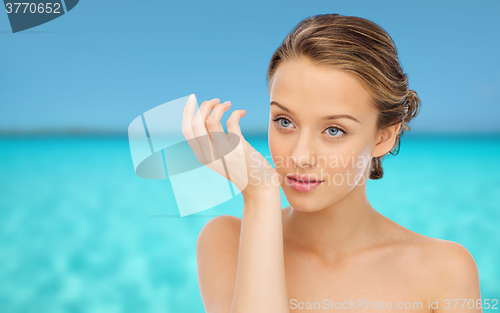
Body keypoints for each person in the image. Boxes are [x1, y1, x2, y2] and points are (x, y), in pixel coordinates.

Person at [185, 13, 481, 313]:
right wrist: (260, 194)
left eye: (334, 130)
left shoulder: (445, 271)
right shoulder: (226, 242)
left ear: (384, 137)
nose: (300, 157)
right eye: (284, 121)